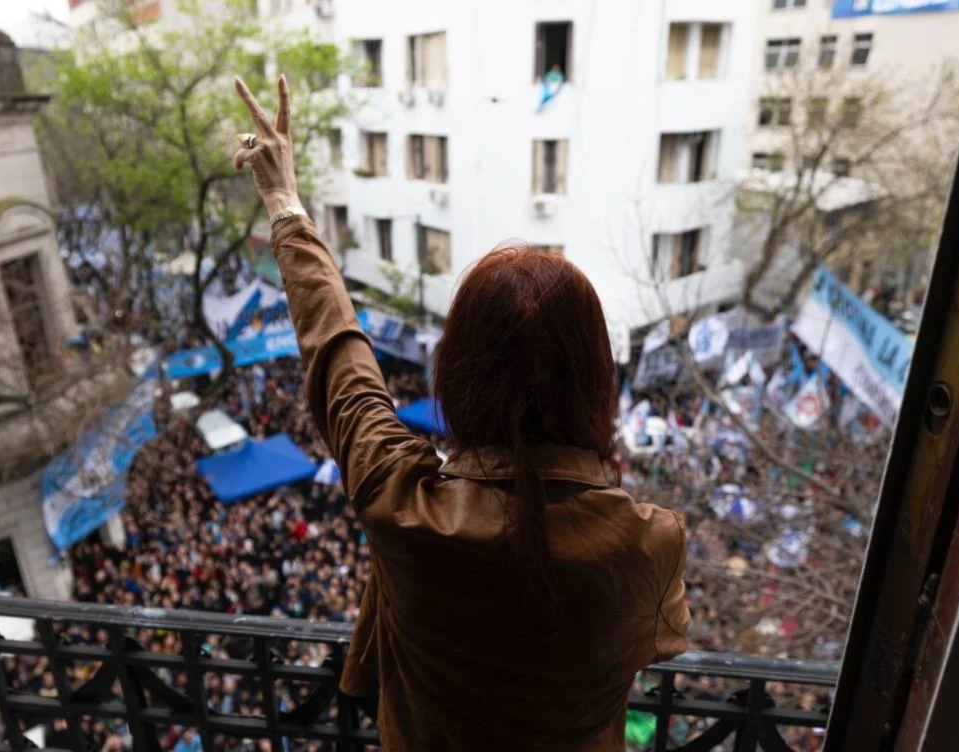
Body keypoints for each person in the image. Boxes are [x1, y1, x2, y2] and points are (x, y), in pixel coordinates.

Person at [232, 75, 689, 752]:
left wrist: (285, 205)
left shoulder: (404, 507)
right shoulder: (650, 542)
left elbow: (340, 361)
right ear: (595, 381)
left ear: (460, 373)